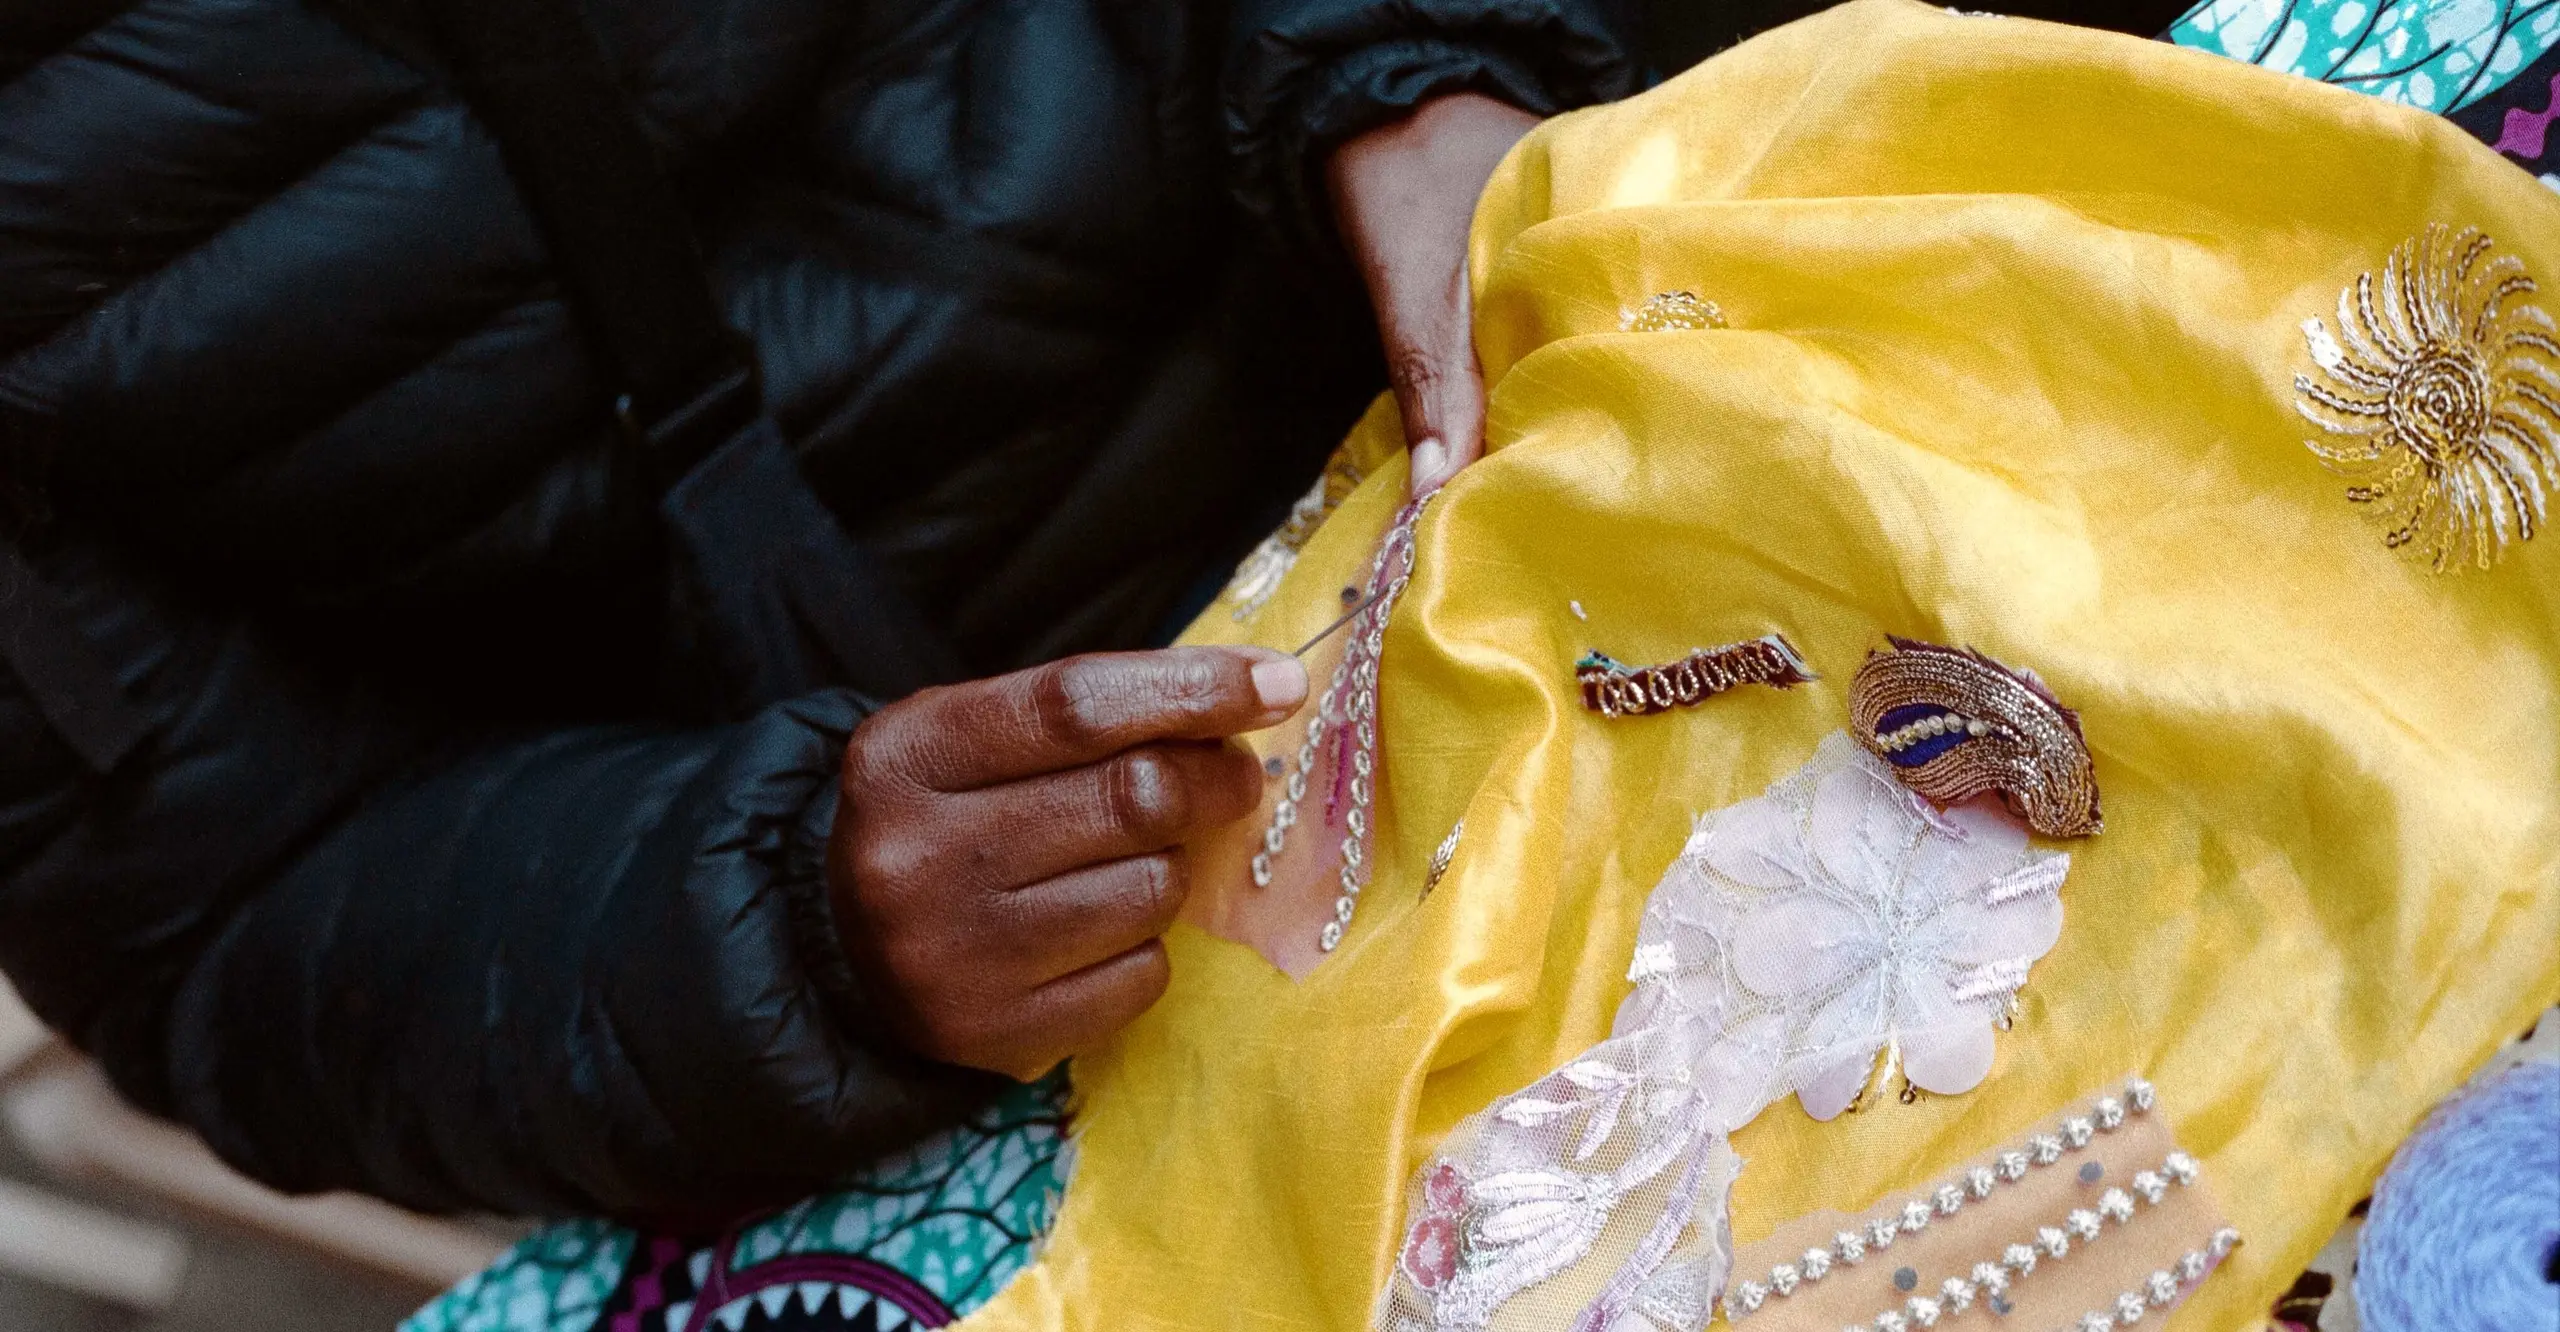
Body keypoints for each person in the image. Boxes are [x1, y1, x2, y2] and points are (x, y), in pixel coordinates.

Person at [0, 0, 1637, 1224]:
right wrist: (799, 930)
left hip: (1577, 366)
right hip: (1073, 981)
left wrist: (1413, 61)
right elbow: (226, 914)